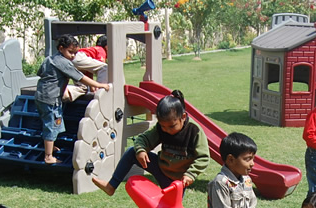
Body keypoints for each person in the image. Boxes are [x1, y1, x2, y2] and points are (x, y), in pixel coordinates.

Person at [92, 89, 210, 195]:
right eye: (163, 126)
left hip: (179, 180)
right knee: (132, 152)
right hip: (161, 168)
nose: (167, 130)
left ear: (183, 117)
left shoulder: (194, 131)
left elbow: (203, 157)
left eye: (171, 126)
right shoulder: (161, 128)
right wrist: (141, 150)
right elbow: (143, 139)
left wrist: (191, 174)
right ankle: (111, 186)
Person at [35, 34, 110, 165]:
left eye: (75, 53)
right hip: (51, 99)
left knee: (47, 121)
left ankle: (50, 147)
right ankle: (48, 156)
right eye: (70, 52)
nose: (73, 56)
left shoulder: (49, 59)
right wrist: (99, 85)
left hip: (40, 96)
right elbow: (81, 77)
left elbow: (40, 72)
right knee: (52, 125)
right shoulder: (63, 62)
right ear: (61, 48)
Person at [63, 35, 108, 103]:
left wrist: (92, 87)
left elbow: (88, 73)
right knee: (105, 67)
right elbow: (101, 67)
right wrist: (97, 87)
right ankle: (101, 93)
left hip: (74, 60)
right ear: (107, 46)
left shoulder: (92, 51)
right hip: (77, 57)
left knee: (83, 88)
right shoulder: (100, 50)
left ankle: (66, 91)